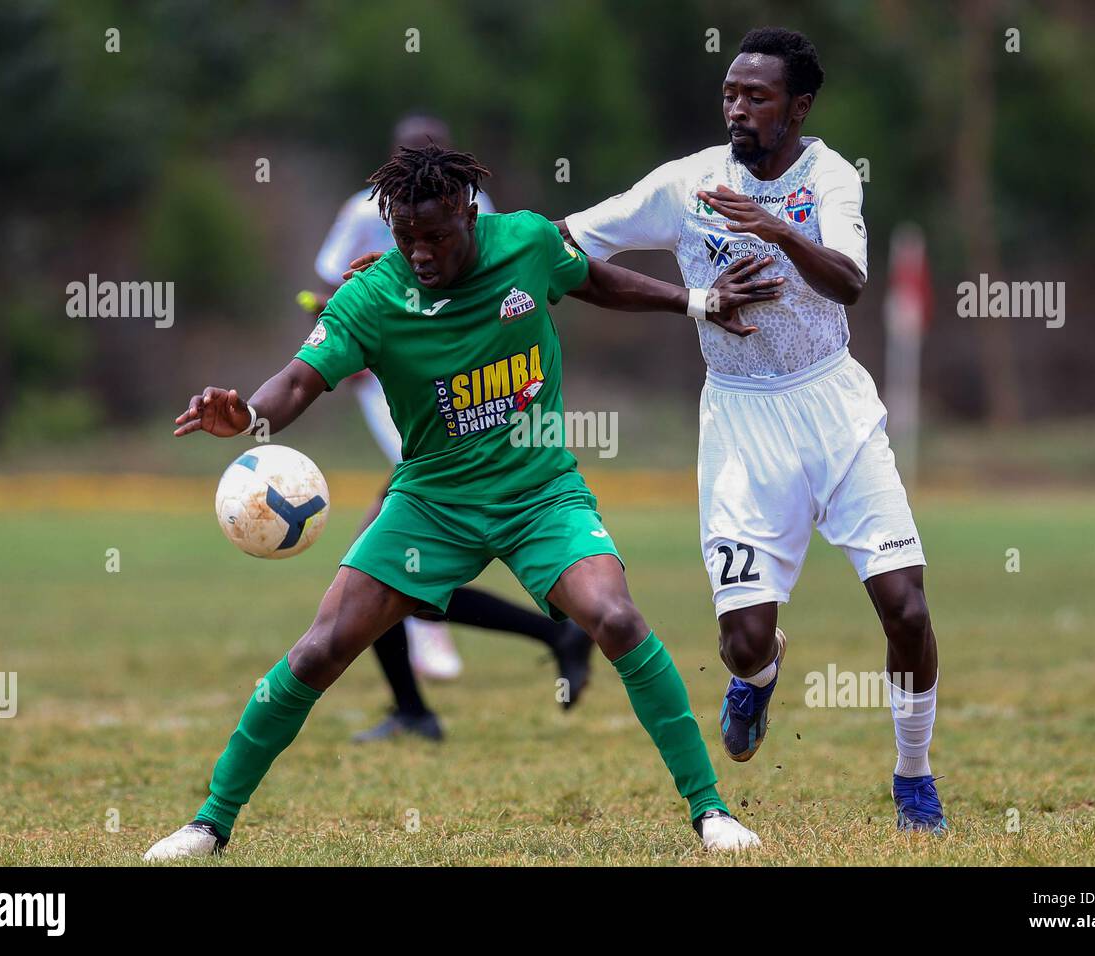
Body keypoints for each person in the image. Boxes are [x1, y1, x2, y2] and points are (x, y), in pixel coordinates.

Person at [144, 143, 782, 860]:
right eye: (404, 237)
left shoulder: (530, 243)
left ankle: (711, 812)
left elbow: (595, 280)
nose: (419, 252)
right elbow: (297, 383)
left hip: (540, 494)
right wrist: (248, 418)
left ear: (467, 214)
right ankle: (209, 822)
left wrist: (695, 300)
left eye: (436, 236)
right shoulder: (373, 296)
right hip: (432, 502)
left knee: (616, 618)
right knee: (320, 649)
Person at [554, 27, 946, 833]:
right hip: (739, 421)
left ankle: (914, 781)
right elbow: (565, 243)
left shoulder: (830, 177)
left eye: (756, 96)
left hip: (834, 408)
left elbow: (850, 283)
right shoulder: (686, 182)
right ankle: (757, 679)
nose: (737, 107)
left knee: (905, 606)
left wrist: (775, 229)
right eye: (730, 92)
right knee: (741, 639)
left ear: (798, 108)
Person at [310, 115, 593, 745]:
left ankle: (424, 703)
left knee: (379, 571)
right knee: (387, 573)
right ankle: (547, 636)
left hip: (463, 412)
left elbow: (492, 279)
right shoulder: (366, 208)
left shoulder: (481, 210)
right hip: (412, 404)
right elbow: (330, 281)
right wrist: (349, 329)